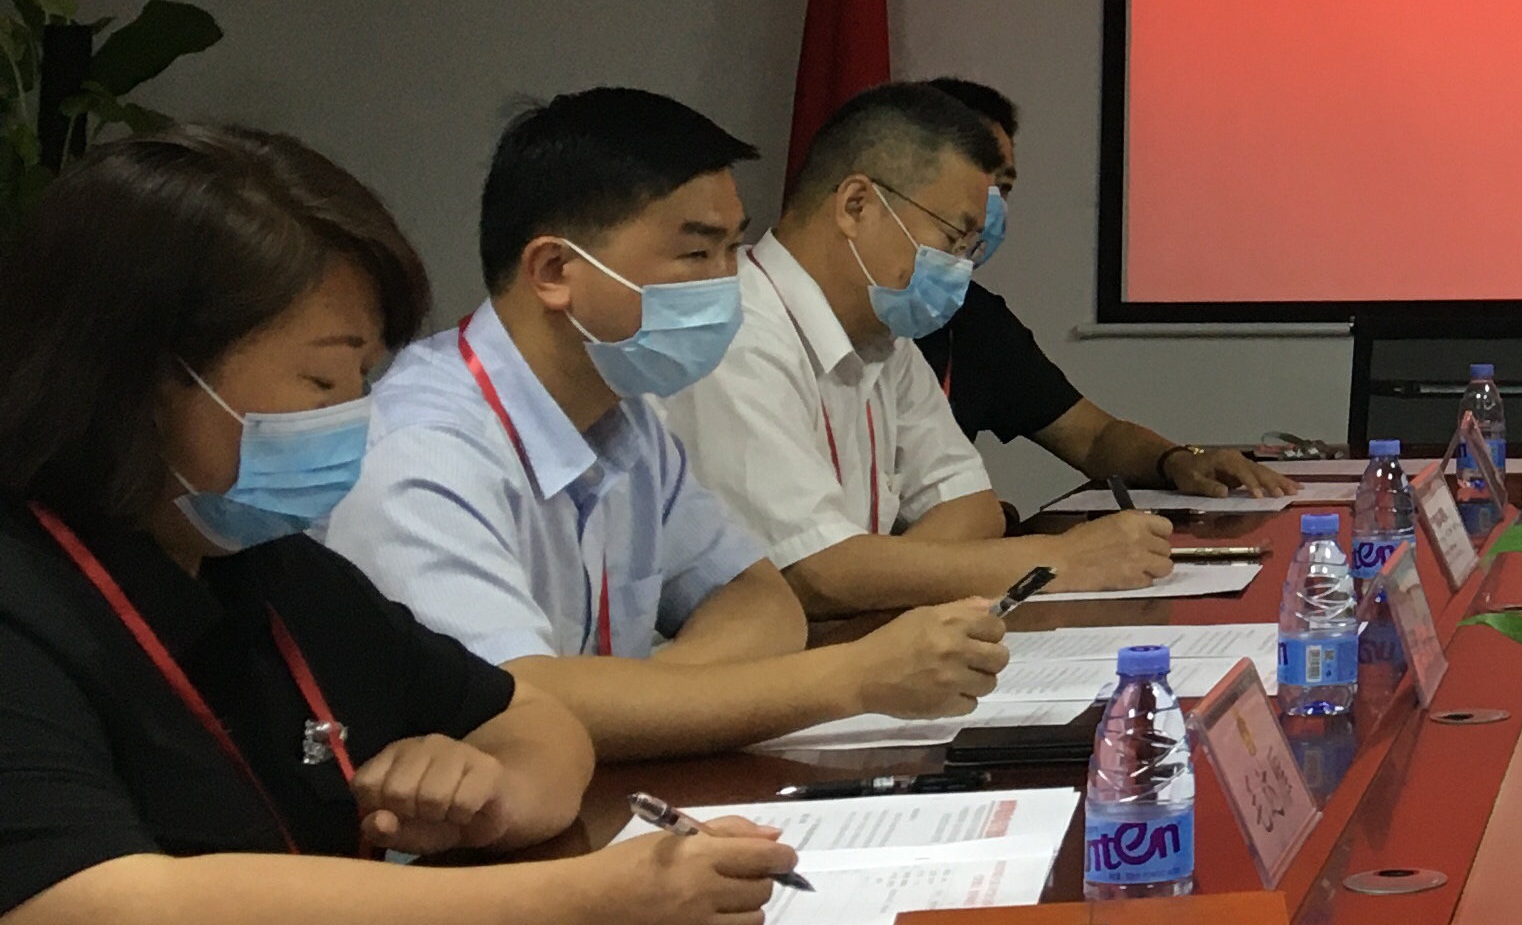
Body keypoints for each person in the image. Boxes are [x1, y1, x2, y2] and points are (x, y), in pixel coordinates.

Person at [0, 126, 797, 925]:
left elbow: (536, 719)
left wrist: (494, 786)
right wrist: (576, 907)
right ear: (144, 377)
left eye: (363, 378)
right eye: (321, 382)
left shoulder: (267, 567)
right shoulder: (27, 591)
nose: (355, 415)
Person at [325, 89, 1011, 759]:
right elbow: (515, 703)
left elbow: (761, 600)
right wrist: (850, 678)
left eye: (732, 249)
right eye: (697, 254)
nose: (727, 281)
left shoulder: (625, 414)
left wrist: (638, 697)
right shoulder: (422, 450)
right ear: (555, 270)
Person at [664, 81, 1171, 617]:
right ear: (856, 206)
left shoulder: (883, 334)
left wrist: (872, 578)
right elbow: (813, 572)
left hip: (850, 641)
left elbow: (973, 506)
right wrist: (1058, 559)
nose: (961, 266)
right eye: (953, 238)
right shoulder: (735, 332)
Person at [920, 78, 1296, 501]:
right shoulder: (866, 327)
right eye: (974, 182)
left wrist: (1177, 460)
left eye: (1003, 188)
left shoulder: (971, 318)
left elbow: (1093, 437)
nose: (988, 208)